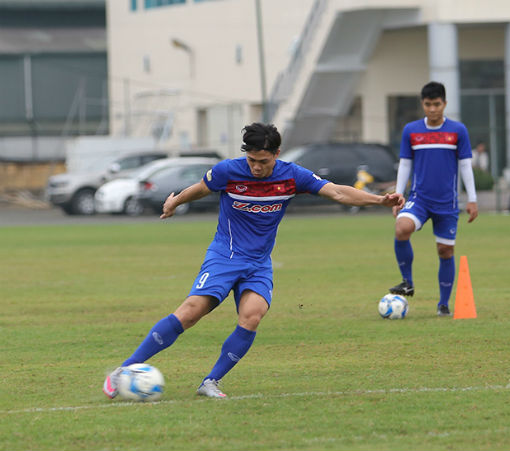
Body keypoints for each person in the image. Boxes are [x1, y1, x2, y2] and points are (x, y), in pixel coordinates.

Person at [103, 122, 404, 399]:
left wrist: (379, 200)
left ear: (277, 154)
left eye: (264, 161)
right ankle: (122, 371)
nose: (257, 168)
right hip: (225, 255)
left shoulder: (292, 175)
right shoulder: (228, 171)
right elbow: (201, 188)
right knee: (191, 313)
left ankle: (210, 381)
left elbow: (337, 192)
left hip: (259, 262)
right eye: (252, 161)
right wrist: (175, 201)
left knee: (252, 316)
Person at [388, 81, 478, 316]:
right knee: (401, 229)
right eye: (428, 105)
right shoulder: (412, 130)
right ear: (423, 104)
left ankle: (444, 304)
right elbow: (405, 164)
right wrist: (399, 194)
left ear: (445, 104)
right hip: (420, 199)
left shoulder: (458, 131)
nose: (433, 109)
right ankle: (407, 282)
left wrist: (472, 199)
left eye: (437, 104)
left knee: (445, 252)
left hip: (447, 204)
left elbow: (466, 165)